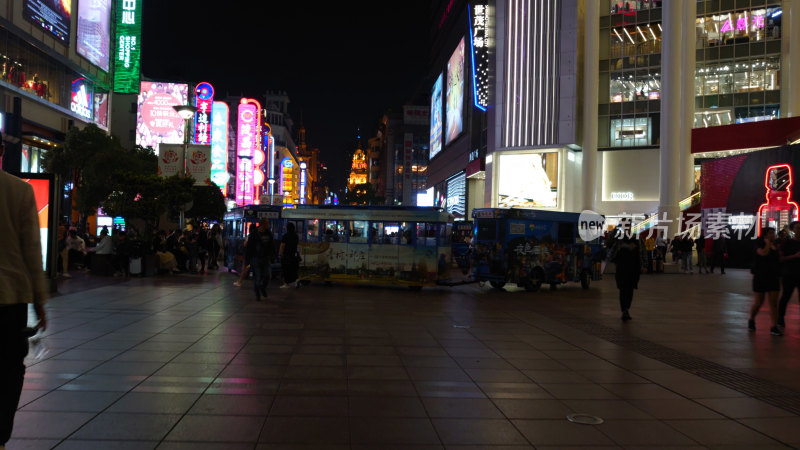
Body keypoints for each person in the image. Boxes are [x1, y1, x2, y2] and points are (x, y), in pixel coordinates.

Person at [0, 133, 48, 448]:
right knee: (8, 368)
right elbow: (32, 250)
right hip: (9, 297)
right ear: (2, 150)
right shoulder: (19, 190)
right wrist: (40, 302)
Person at [749, 227, 782, 336]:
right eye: (771, 233)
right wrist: (767, 243)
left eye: (774, 233)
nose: (773, 235)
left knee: (774, 303)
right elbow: (763, 253)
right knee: (759, 302)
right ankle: (752, 319)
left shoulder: (776, 245)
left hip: (773, 277)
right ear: (765, 235)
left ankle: (774, 326)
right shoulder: (758, 243)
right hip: (760, 276)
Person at [613, 236, 641, 322]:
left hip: (624, 273)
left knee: (624, 292)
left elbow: (614, 258)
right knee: (628, 292)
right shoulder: (622, 245)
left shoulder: (623, 245)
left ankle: (625, 310)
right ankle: (625, 310)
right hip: (629, 273)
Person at [778, 221, 800, 329]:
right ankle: (780, 318)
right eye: (797, 228)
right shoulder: (788, 243)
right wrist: (794, 256)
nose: (799, 230)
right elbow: (780, 258)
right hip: (789, 274)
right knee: (786, 296)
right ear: (793, 230)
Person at [247, 219, 274, 301]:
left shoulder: (268, 233)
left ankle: (262, 288)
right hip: (256, 258)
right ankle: (257, 293)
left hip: (266, 258)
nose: (268, 225)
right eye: (267, 223)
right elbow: (249, 247)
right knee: (257, 277)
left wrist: (272, 255)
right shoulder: (254, 234)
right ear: (263, 224)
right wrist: (249, 260)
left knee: (268, 276)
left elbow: (271, 246)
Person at [279, 221, 301, 288]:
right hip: (294, 255)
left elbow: (282, 246)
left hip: (286, 255)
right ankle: (296, 282)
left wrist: (280, 254)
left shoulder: (285, 236)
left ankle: (286, 284)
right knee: (294, 269)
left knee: (286, 270)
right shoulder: (296, 236)